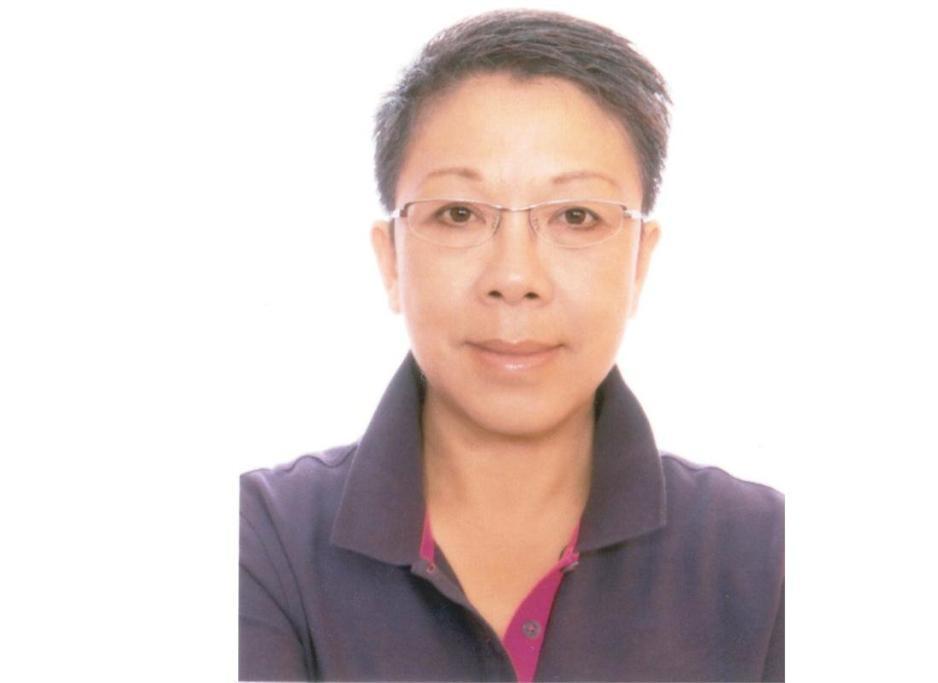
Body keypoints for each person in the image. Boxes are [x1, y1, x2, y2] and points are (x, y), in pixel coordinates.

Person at [239, 9, 784, 682]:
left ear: (640, 260)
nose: (515, 277)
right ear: (391, 259)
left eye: (576, 216)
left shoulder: (768, 555)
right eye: (459, 213)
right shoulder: (260, 541)